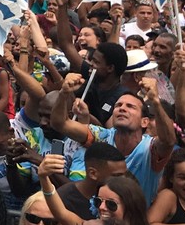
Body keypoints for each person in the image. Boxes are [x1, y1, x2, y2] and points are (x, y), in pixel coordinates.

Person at [52, 73, 174, 204]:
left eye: (130, 106)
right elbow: (60, 123)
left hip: (135, 222)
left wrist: (155, 100)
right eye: (118, 105)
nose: (122, 108)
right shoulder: (101, 136)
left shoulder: (150, 149)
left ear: (144, 122)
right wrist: (64, 93)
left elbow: (168, 141)